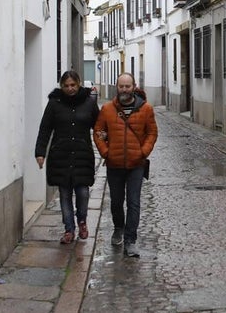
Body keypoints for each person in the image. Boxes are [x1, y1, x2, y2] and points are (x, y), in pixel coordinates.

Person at [93, 73, 158, 258]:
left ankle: (130, 241)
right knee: (116, 201)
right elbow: (98, 132)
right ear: (117, 86)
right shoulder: (107, 109)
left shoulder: (146, 109)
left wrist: (143, 152)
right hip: (114, 164)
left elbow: (152, 133)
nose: (124, 89)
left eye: (127, 86)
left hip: (136, 165)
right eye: (121, 86)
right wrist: (106, 152)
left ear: (134, 87)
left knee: (134, 202)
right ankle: (118, 227)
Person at [34, 70, 99, 244]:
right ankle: (69, 229)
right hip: (60, 155)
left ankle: (82, 220)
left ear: (79, 84)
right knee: (64, 194)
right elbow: (45, 128)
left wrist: (106, 146)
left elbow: (99, 127)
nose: (70, 88)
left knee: (83, 192)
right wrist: (40, 152)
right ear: (61, 86)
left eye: (73, 85)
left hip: (82, 155)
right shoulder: (54, 104)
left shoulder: (89, 103)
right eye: (66, 85)